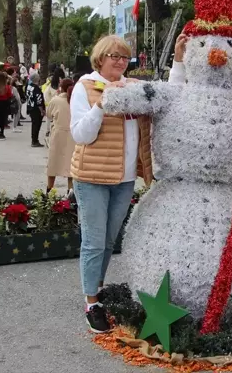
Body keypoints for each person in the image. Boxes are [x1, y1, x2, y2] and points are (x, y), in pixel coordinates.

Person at [69, 35, 153, 333]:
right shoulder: (86, 87)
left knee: (107, 241)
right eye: (113, 56)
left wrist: (179, 60)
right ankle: (91, 302)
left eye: (124, 56)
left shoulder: (133, 89)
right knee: (93, 241)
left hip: (124, 179)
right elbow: (81, 135)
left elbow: (169, 96)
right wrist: (102, 105)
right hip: (92, 178)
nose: (119, 61)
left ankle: (98, 287)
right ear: (100, 58)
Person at [46, 78, 75, 194]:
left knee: (53, 163)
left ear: (61, 87)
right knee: (70, 165)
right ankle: (70, 192)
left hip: (58, 134)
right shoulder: (75, 100)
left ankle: (49, 191)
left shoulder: (56, 100)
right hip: (72, 134)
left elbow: (48, 114)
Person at [26, 71, 45, 147]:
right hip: (36, 109)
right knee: (37, 125)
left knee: (34, 124)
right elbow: (39, 100)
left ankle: (34, 139)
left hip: (30, 107)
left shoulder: (29, 86)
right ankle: (35, 141)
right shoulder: (36, 88)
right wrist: (42, 110)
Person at [0, 72, 12, 140]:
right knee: (3, 118)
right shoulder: (6, 87)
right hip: (4, 103)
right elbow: (10, 95)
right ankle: (2, 132)